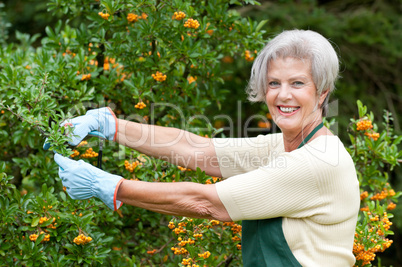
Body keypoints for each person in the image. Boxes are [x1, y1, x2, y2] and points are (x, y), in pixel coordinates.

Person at [52, 29, 360, 266]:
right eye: (274, 83)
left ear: (322, 93)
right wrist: (111, 126)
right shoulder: (283, 147)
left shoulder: (319, 162)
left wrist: (109, 186)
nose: (283, 95)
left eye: (297, 83)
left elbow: (207, 203)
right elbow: (195, 149)